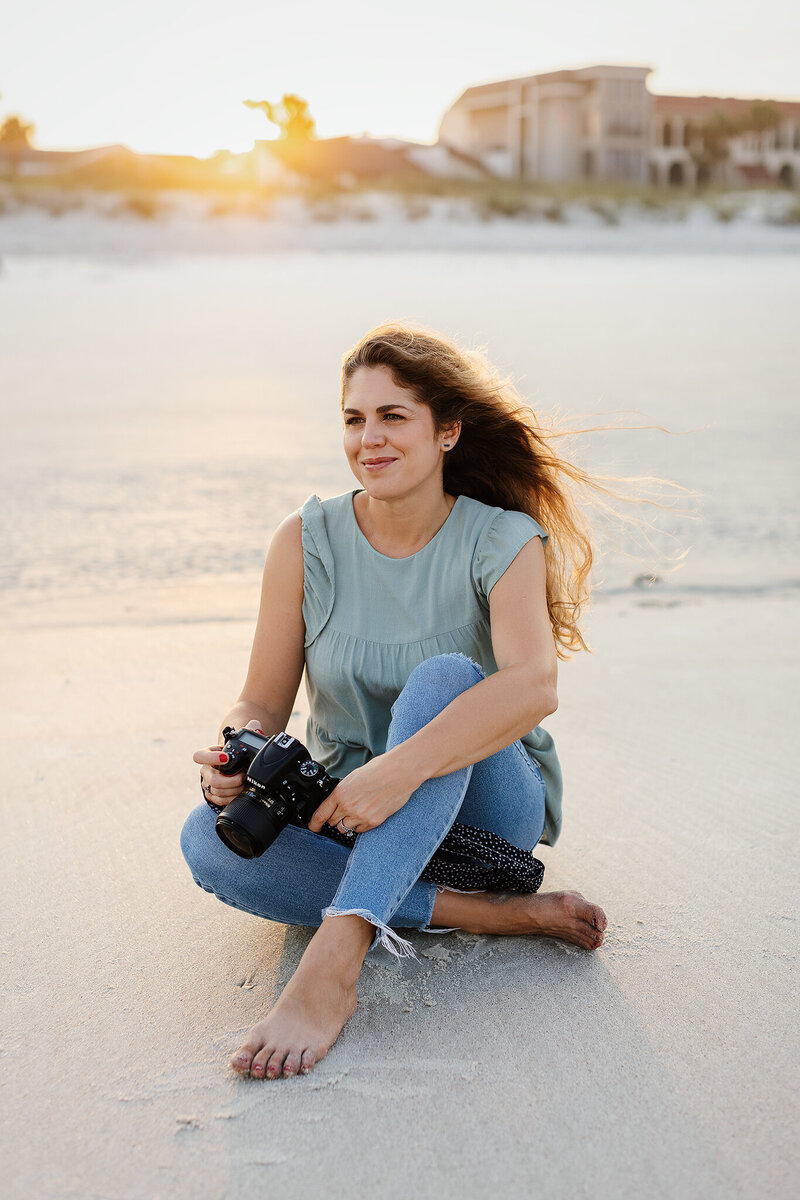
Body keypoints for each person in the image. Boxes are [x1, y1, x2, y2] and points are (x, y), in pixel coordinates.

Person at [181, 322, 607, 1081]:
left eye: (392, 416)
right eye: (353, 419)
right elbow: (260, 700)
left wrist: (398, 770)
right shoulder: (304, 541)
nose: (367, 438)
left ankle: (338, 955)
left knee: (445, 679)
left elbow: (534, 685)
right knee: (205, 838)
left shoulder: (503, 539)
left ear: (447, 431)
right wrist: (235, 751)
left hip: (483, 812)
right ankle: (489, 915)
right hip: (345, 810)